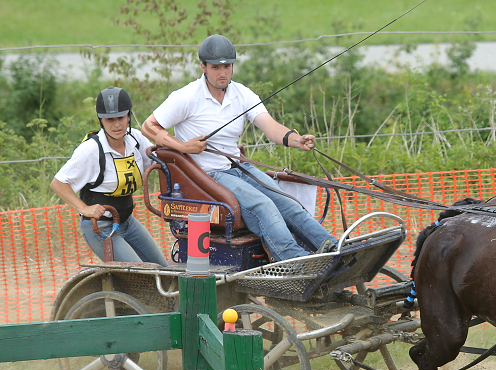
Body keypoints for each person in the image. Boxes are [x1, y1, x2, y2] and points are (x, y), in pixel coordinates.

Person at [141, 34, 336, 262]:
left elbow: (271, 127)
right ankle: (295, 260)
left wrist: (296, 139)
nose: (222, 73)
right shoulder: (185, 97)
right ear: (203, 67)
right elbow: (149, 126)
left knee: (287, 201)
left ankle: (330, 246)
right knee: (263, 205)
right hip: (207, 175)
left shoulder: (242, 94)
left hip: (237, 167)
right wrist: (183, 146)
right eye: (215, 67)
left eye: (227, 66)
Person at [51, 87, 168, 266]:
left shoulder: (135, 139)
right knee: (143, 277)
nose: (116, 125)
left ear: (128, 116)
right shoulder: (91, 150)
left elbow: (162, 163)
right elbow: (58, 183)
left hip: (128, 221)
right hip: (101, 227)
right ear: (101, 121)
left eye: (121, 118)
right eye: (110, 120)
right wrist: (84, 209)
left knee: (164, 270)